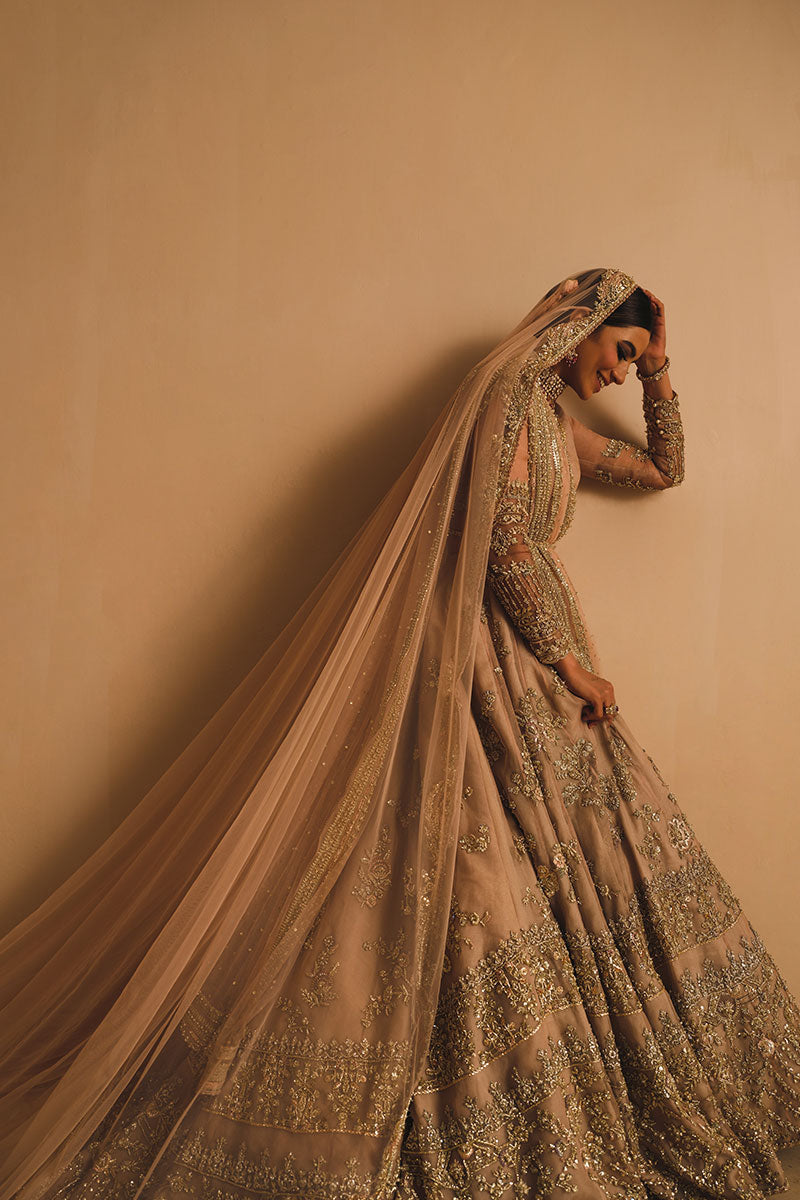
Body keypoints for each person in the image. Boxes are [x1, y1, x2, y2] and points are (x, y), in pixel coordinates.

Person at [1, 267, 799, 1200]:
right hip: (489, 662)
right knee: (464, 870)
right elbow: (502, 539)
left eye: (635, 359)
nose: (623, 373)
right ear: (577, 330)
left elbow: (666, 472)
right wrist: (569, 662)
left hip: (543, 665)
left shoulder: (555, 427)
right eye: (621, 352)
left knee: (570, 862)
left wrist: (664, 369)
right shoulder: (506, 401)